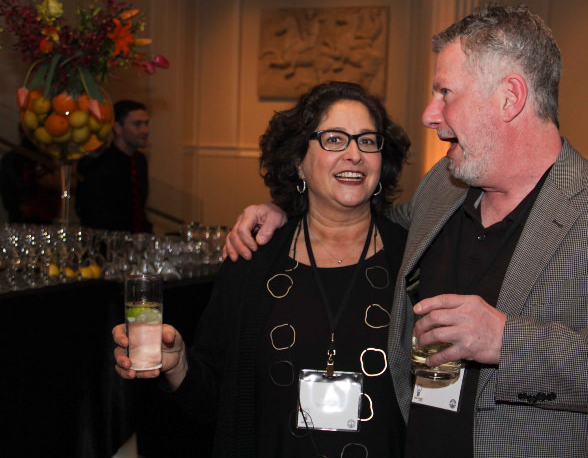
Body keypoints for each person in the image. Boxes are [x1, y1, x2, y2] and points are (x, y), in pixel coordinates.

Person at [224, 4, 588, 457]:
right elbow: (381, 226)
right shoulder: (445, 186)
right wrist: (289, 209)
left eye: (444, 93)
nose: (428, 114)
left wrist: (507, 341)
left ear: (510, 97)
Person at [113, 82, 411, 456]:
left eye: (368, 140)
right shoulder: (254, 259)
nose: (354, 154)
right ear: (298, 159)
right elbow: (212, 398)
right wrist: (178, 366)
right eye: (334, 139)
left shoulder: (413, 259)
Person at [76, 99, 153, 233]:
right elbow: (92, 214)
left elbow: (139, 208)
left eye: (146, 124)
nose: (145, 130)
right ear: (117, 127)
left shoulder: (140, 160)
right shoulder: (99, 164)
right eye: (137, 124)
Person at [0, 127, 61, 224]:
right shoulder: (23, 159)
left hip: (43, 216)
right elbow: (56, 183)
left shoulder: (41, 157)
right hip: (30, 216)